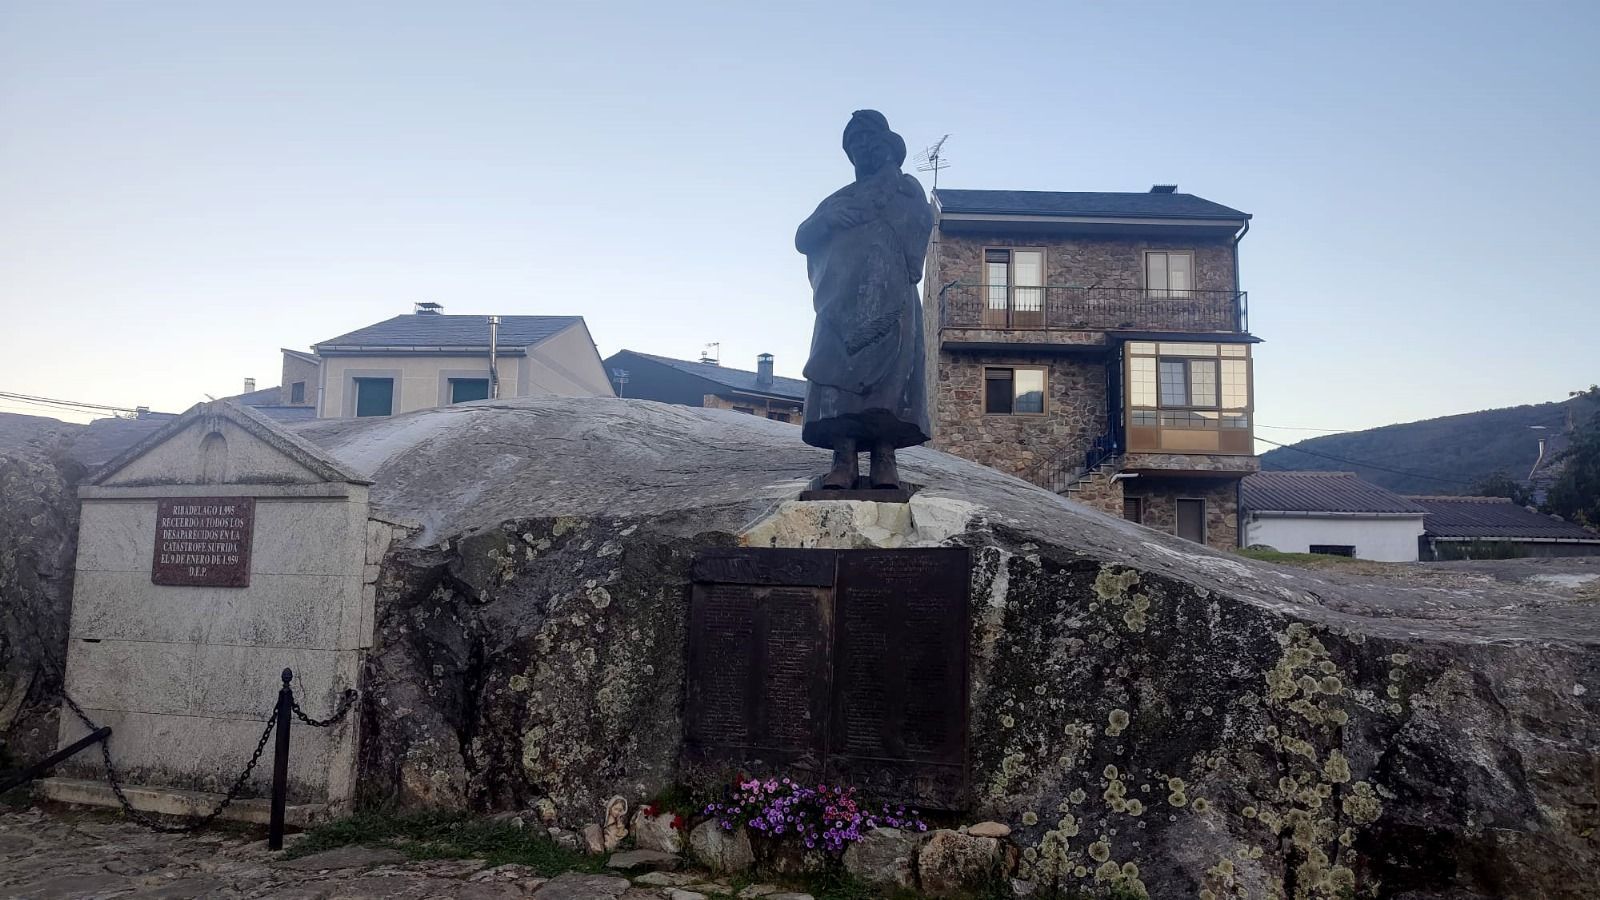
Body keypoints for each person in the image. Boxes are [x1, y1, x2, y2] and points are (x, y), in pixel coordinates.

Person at [795, 110, 934, 490]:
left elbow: (920, 225)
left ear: (886, 146)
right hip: (839, 304)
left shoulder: (906, 190)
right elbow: (803, 237)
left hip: (891, 299)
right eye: (853, 145)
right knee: (835, 381)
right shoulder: (839, 199)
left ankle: (884, 459)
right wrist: (831, 221)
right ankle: (843, 459)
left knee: (890, 381)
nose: (860, 150)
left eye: (867, 142)